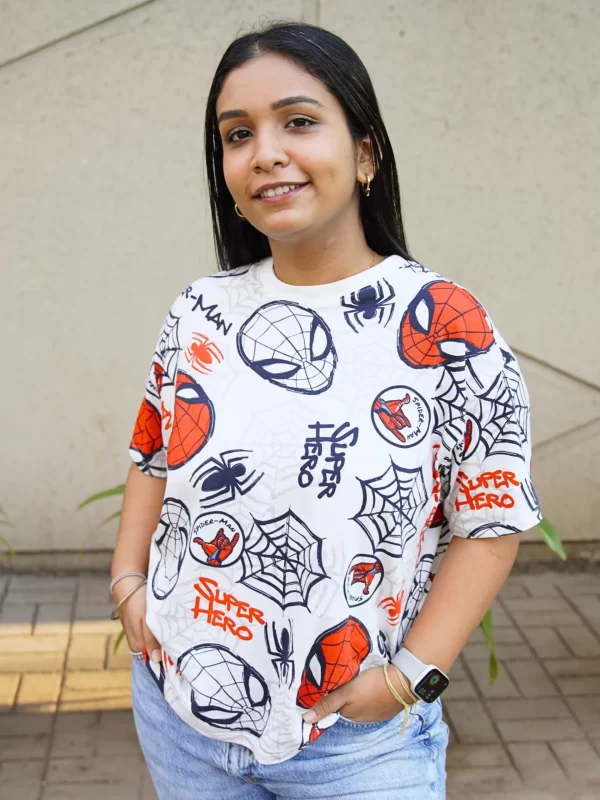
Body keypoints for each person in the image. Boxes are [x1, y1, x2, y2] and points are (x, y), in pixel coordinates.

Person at [111, 20, 542, 800]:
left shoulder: (448, 325)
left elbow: (492, 520)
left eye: (299, 122)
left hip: (357, 744)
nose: (265, 151)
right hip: (181, 714)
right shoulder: (200, 313)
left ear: (366, 153)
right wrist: (127, 584)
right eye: (237, 135)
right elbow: (154, 453)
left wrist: (408, 679)